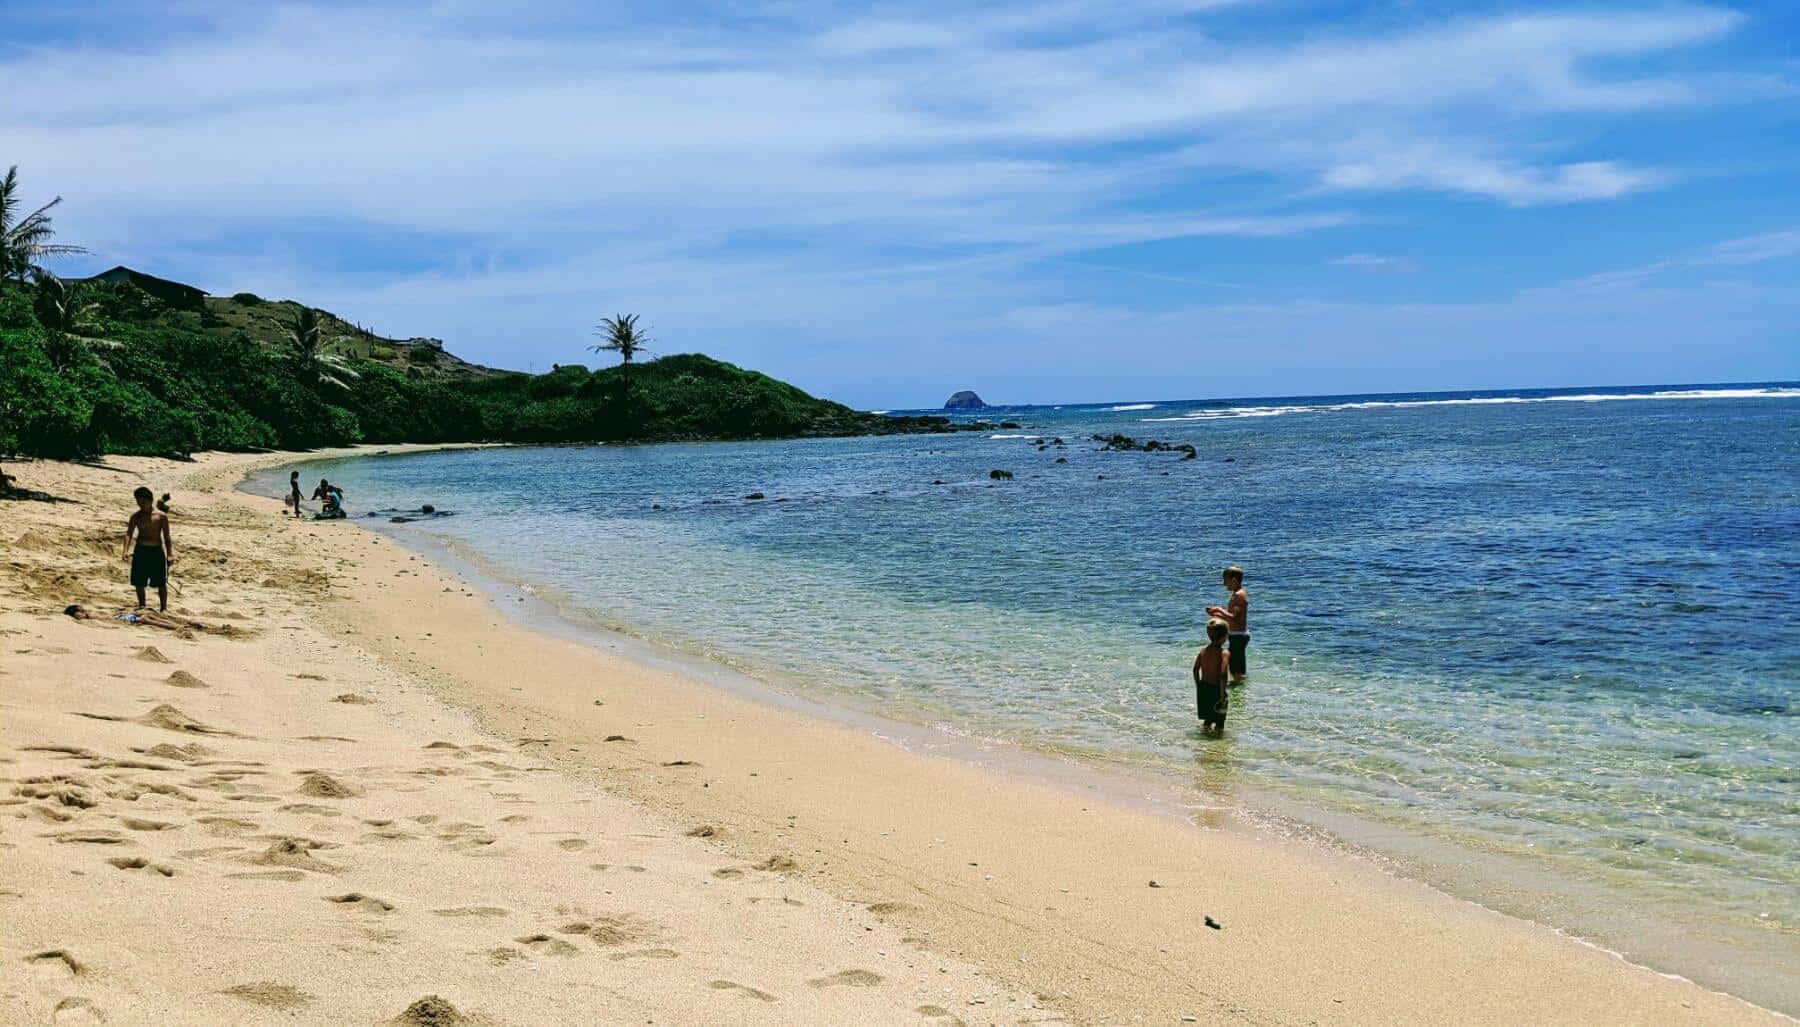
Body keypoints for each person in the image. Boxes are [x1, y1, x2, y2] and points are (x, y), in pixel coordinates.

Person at [123, 485, 174, 612]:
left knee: (161, 582)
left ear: (151, 500)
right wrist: (125, 551)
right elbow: (129, 534)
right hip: (141, 551)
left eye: (144, 501)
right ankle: (142, 605)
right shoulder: (136, 517)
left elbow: (167, 537)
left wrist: (170, 554)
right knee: (139, 581)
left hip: (156, 551)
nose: (141, 504)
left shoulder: (161, 516)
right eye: (139, 501)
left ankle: (163, 608)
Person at [1206, 565, 1250, 684]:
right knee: (1236, 664)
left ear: (1234, 580)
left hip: (1239, 635)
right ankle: (1239, 689)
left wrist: (1219, 610)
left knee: (1236, 667)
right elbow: (1233, 618)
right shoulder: (1237, 594)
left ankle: (1238, 689)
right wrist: (1216, 615)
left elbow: (1235, 618)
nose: (1224, 584)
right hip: (1236, 634)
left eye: (1226, 581)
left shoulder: (1239, 595)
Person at [1192, 618, 1231, 736]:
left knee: (1208, 719)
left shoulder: (1203, 651)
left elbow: (1195, 669)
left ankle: (1204, 740)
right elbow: (1223, 674)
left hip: (1204, 688)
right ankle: (1218, 746)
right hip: (1216, 689)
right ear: (1224, 637)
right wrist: (1222, 696)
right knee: (1220, 721)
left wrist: (1198, 684)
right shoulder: (1224, 653)